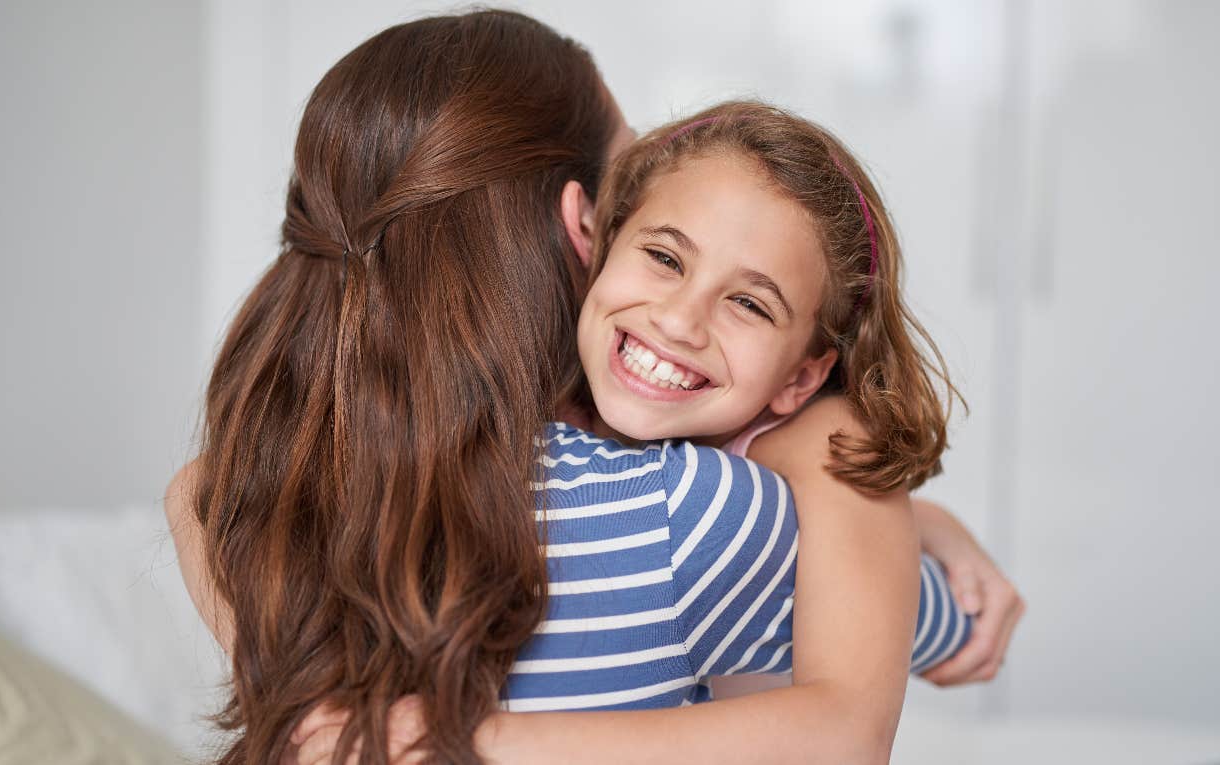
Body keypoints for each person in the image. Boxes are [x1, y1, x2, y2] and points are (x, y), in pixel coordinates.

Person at [164, 10, 1022, 765]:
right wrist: (874, 492)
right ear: (586, 230)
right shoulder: (686, 507)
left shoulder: (248, 491)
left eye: (750, 301)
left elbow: (193, 494)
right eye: (658, 246)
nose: (680, 319)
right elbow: (941, 638)